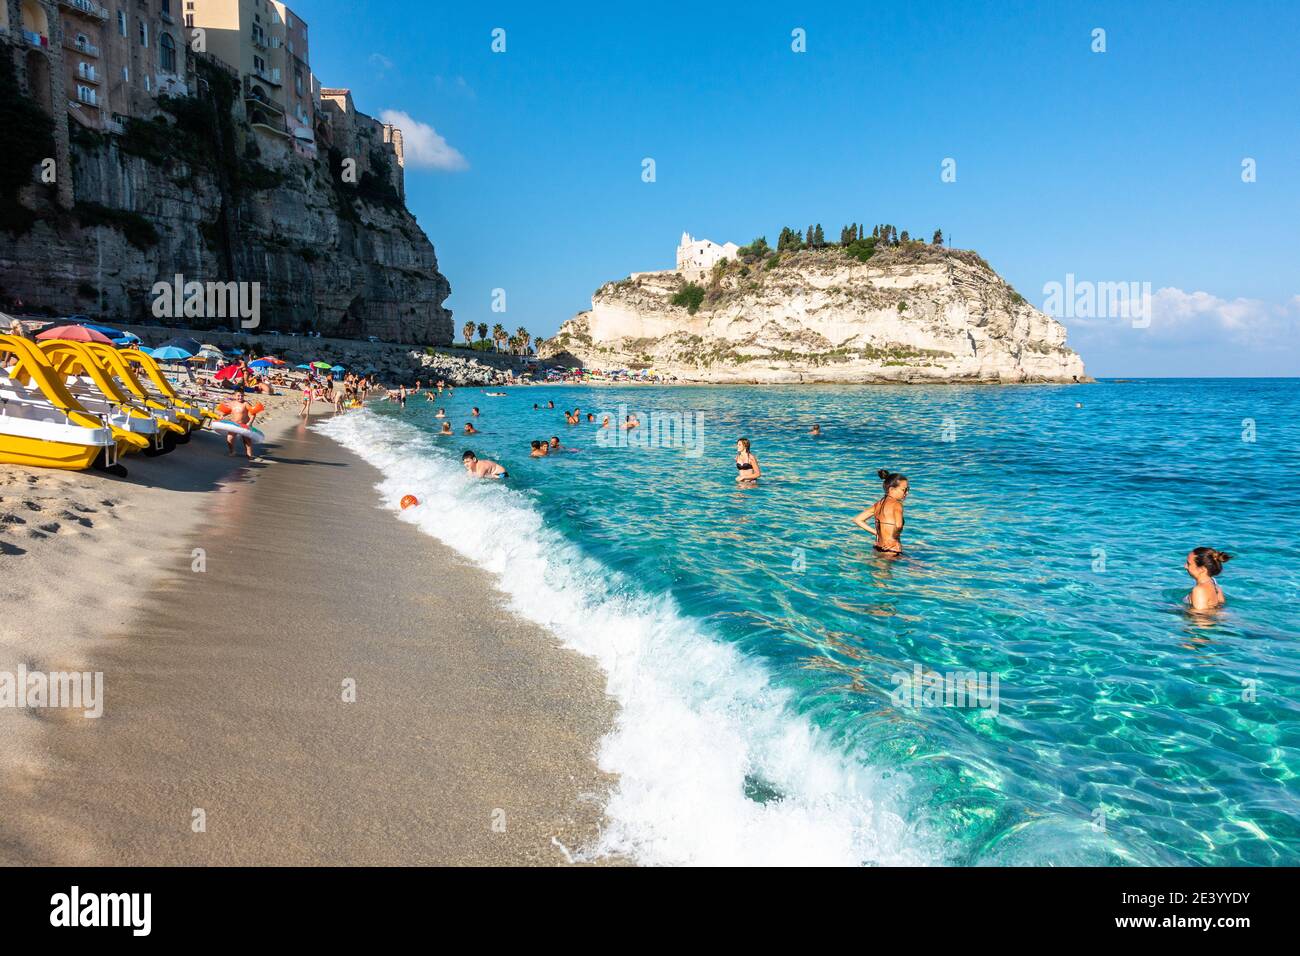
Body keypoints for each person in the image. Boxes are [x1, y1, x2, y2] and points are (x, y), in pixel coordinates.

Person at [853, 469, 908, 554]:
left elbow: (857, 520)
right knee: (919, 566)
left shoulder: (878, 504)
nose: (906, 493)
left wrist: (877, 534)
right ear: (892, 489)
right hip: (891, 550)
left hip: (877, 547)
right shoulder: (897, 504)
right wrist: (893, 540)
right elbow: (899, 525)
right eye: (904, 489)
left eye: (908, 489)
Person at [224, 389, 259, 460]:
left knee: (247, 440)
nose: (240, 397)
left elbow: (253, 414)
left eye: (242, 396)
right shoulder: (232, 403)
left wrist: (250, 423)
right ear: (234, 396)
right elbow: (228, 411)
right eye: (238, 396)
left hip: (244, 424)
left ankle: (249, 454)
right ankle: (232, 451)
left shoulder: (245, 404)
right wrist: (222, 416)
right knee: (229, 438)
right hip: (234, 424)